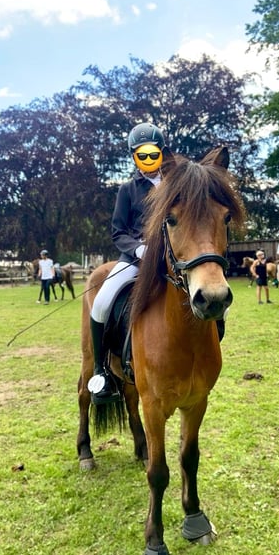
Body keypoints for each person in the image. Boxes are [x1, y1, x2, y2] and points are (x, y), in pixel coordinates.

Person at [87, 122, 167, 405]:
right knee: (102, 301)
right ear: (134, 157)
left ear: (160, 152)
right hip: (136, 259)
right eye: (141, 154)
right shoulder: (128, 190)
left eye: (152, 153)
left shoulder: (176, 184)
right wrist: (138, 249)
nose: (147, 159)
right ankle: (101, 371)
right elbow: (118, 231)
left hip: (173, 259)